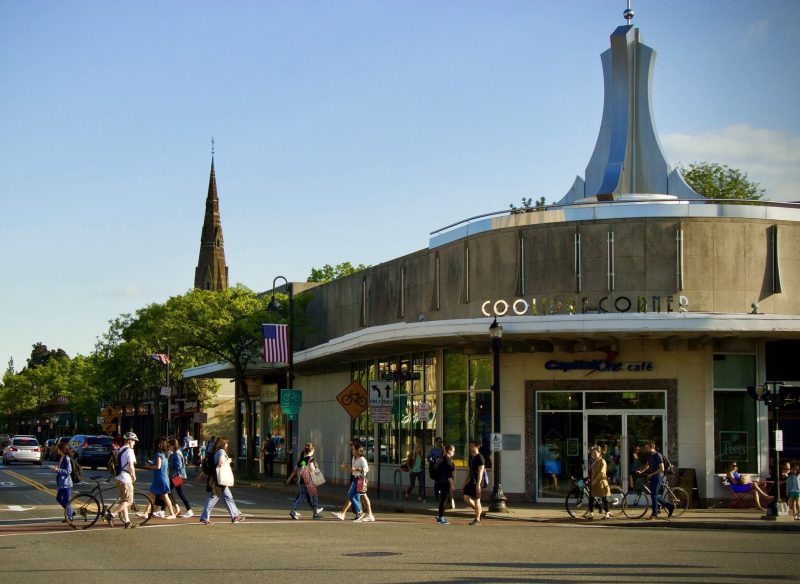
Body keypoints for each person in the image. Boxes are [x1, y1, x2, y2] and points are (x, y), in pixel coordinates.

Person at [200, 436, 245, 525]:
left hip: (217, 479)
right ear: (223, 444)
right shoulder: (221, 451)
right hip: (219, 479)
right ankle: (204, 518)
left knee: (228, 497)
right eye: (226, 443)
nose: (227, 445)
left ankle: (235, 516)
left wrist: (201, 475)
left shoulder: (215, 452)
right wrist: (229, 460)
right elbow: (220, 462)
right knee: (213, 498)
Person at [331, 439, 373, 522]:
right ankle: (357, 514)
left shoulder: (362, 459)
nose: (352, 451)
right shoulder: (354, 458)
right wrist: (346, 467)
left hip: (360, 479)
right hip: (354, 479)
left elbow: (366, 469)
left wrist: (356, 469)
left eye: (353, 449)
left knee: (351, 496)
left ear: (357, 450)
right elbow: (352, 470)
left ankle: (359, 512)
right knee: (355, 496)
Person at [285, 442, 323, 519]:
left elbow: (295, 470)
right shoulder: (311, 459)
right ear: (312, 450)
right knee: (313, 496)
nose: (314, 451)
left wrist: (289, 478)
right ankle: (295, 510)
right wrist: (315, 468)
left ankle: (315, 512)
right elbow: (312, 469)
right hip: (309, 480)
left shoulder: (301, 459)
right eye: (314, 450)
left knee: (306, 497)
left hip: (302, 480)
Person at [637, 442, 674, 520]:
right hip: (653, 477)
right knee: (654, 495)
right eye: (645, 448)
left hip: (658, 476)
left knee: (654, 495)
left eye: (647, 448)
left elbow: (662, 469)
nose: (646, 449)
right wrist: (641, 471)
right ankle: (670, 506)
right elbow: (647, 465)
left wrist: (651, 474)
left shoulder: (658, 455)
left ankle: (654, 515)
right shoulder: (650, 455)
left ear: (652, 447)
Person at [143, 438, 176, 519]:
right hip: (163, 478)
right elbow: (161, 464)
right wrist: (151, 462)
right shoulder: (164, 454)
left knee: (164, 495)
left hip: (162, 478)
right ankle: (146, 513)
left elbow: (158, 466)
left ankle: (173, 513)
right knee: (154, 495)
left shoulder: (158, 454)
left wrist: (147, 467)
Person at [115, 431, 139, 529]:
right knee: (129, 501)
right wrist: (134, 475)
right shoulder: (129, 451)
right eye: (133, 441)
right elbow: (131, 465)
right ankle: (112, 514)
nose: (134, 443)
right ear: (129, 440)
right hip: (126, 478)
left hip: (119, 477)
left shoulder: (120, 449)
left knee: (124, 501)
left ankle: (127, 521)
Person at [167, 438, 193, 518]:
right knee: (167, 492)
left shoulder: (176, 453)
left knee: (178, 493)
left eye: (169, 446)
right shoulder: (176, 452)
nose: (168, 447)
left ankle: (189, 510)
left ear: (173, 446)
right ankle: (173, 508)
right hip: (175, 476)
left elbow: (178, 465)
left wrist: (168, 463)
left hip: (177, 476)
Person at [463, 439, 485, 525]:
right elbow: (468, 470)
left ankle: (477, 519)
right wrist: (465, 482)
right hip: (471, 481)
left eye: (472, 446)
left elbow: (481, 472)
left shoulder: (480, 457)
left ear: (477, 447)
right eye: (470, 446)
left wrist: (478, 484)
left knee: (477, 500)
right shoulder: (471, 457)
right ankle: (479, 511)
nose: (470, 448)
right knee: (466, 497)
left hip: (477, 481)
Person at [50, 442, 73, 522]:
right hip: (61, 483)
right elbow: (62, 468)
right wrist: (55, 468)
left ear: (61, 450)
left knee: (67, 500)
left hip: (66, 483)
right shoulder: (62, 457)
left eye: (58, 449)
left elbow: (68, 471)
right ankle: (70, 512)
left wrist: (57, 469)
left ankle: (70, 516)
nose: (57, 450)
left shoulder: (66, 458)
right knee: (59, 498)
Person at [587, 447, 611, 520]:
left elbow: (601, 472)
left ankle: (607, 513)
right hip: (594, 483)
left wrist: (595, 480)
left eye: (595, 453)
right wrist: (589, 478)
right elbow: (591, 471)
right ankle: (591, 513)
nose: (594, 454)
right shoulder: (595, 462)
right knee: (591, 497)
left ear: (599, 453)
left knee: (604, 498)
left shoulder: (602, 461)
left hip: (601, 483)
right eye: (593, 453)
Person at [435, 443, 456, 524]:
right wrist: (452, 484)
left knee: (443, 499)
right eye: (453, 451)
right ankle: (441, 517)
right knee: (444, 499)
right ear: (449, 451)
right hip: (446, 482)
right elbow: (448, 474)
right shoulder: (448, 460)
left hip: (441, 481)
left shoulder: (443, 458)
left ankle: (440, 515)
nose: (454, 452)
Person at [428, 437, 445, 502]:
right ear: (436, 442)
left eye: (441, 442)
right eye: (439, 442)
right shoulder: (433, 450)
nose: (440, 443)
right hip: (436, 468)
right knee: (437, 482)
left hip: (442, 468)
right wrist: (433, 461)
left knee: (442, 482)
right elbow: (429, 458)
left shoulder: (443, 449)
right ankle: (437, 495)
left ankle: (441, 495)